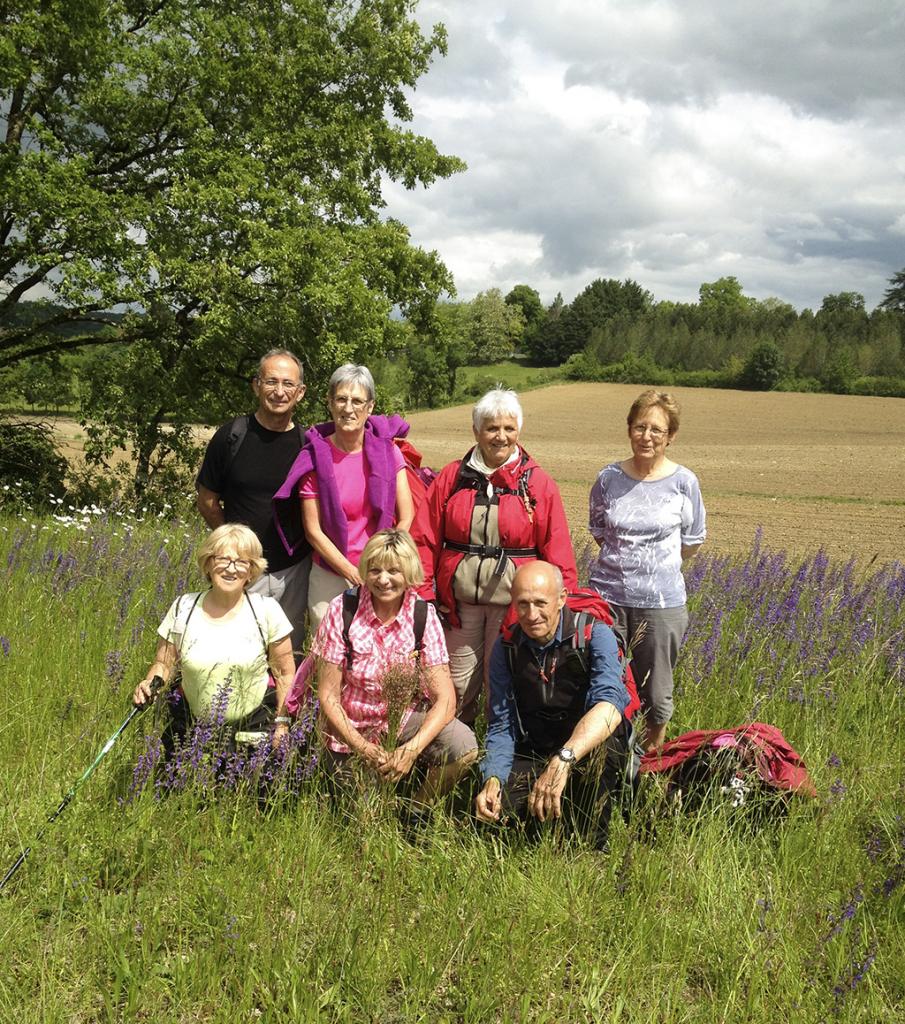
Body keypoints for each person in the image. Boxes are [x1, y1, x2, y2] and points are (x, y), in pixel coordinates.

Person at [412, 388, 577, 726]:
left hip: (516, 610)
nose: (500, 437)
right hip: (459, 609)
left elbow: (557, 548)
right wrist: (424, 597)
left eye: (508, 428)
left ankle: (498, 765)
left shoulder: (538, 484)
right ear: (476, 431)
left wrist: (562, 605)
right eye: (491, 428)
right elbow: (423, 540)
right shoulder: (452, 477)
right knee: (454, 689)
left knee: (507, 686)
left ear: (519, 430)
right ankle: (453, 759)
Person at [475, 562, 635, 851]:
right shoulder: (506, 648)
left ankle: (593, 848)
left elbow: (610, 705)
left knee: (607, 747)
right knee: (504, 821)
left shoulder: (594, 635)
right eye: (522, 604)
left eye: (540, 603)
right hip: (536, 747)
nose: (531, 615)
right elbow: (502, 723)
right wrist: (493, 778)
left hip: (584, 749)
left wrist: (564, 759)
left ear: (561, 598)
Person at [315, 529, 478, 803]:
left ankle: (417, 810)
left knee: (463, 747)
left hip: (403, 720)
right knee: (365, 818)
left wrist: (412, 751)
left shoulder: (422, 616)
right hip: (352, 726)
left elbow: (445, 698)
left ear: (408, 572)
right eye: (375, 570)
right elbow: (328, 695)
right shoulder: (342, 609)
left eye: (394, 571)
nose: (383, 579)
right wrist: (363, 747)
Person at [588, 389, 706, 753]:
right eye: (640, 427)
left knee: (656, 695)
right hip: (607, 602)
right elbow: (599, 532)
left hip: (662, 606)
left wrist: (656, 572)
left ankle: (651, 763)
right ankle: (607, 761)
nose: (647, 436)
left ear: (670, 436)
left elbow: (693, 541)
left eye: (657, 429)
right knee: (606, 685)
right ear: (629, 430)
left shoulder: (684, 482)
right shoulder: (607, 478)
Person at [133, 524, 296, 750]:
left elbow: (285, 673)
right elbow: (163, 664)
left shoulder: (267, 610)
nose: (231, 568)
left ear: (251, 571)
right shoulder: (183, 607)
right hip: (192, 730)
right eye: (223, 559)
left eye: (241, 562)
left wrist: (282, 723)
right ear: (208, 564)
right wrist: (149, 684)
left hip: (252, 730)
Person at [195, 349, 311, 647]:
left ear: (300, 393)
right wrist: (232, 547)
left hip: (293, 571)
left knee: (288, 657)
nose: (279, 391)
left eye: (288, 384)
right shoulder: (232, 436)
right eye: (271, 381)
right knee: (236, 652)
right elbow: (207, 500)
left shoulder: (308, 445)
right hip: (241, 570)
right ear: (256, 385)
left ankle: (280, 698)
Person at [289, 364, 414, 631]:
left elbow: (406, 516)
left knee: (376, 655)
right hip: (330, 573)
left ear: (370, 407)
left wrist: (383, 563)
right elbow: (313, 531)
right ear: (330, 403)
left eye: (357, 401)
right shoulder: (314, 457)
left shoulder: (388, 453)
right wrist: (351, 572)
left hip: (381, 572)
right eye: (341, 399)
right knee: (327, 656)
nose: (348, 408)